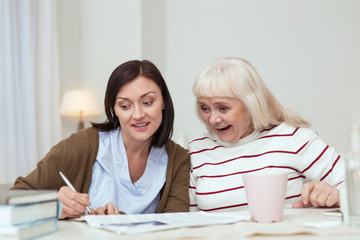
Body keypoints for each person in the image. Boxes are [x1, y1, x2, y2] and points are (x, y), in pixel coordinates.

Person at [11, 59, 190, 218]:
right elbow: (15, 196)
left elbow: (175, 225)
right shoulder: (82, 145)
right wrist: (54, 206)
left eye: (148, 102)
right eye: (125, 106)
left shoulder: (178, 159)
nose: (138, 114)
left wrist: (121, 220)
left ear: (164, 102)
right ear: (114, 109)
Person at [188, 57, 345, 212]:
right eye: (204, 108)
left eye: (223, 108)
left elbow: (352, 186)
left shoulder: (292, 137)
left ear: (251, 104)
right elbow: (188, 219)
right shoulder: (196, 149)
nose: (213, 119)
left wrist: (335, 196)